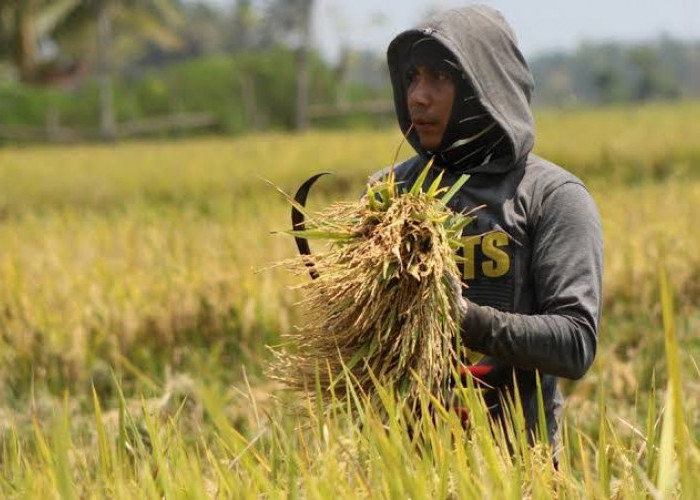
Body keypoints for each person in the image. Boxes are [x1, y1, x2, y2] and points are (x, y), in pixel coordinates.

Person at [376, 5, 603, 453]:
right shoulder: (390, 196)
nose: (417, 97)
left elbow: (576, 342)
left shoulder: (551, 197)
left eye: (439, 77)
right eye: (412, 78)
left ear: (485, 85)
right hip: (405, 471)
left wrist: (461, 318)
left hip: (520, 467)